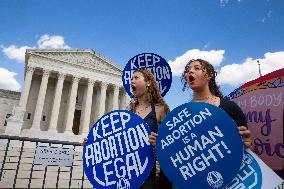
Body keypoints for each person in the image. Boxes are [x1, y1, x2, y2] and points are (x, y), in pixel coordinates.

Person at [180, 59, 252, 148]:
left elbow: (246, 144)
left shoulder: (230, 107)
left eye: (197, 68)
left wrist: (247, 143)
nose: (190, 71)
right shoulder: (182, 115)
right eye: (187, 70)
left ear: (210, 75)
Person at [129, 69, 172, 189]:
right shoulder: (128, 112)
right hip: (127, 174)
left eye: (136, 78)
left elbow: (171, 141)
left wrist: (158, 142)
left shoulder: (160, 109)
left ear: (148, 82)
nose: (132, 80)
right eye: (131, 79)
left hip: (148, 175)